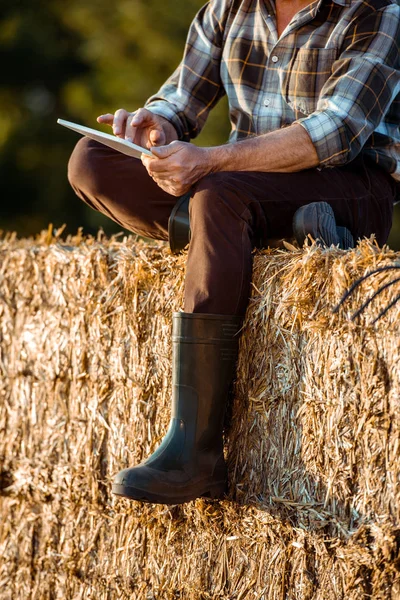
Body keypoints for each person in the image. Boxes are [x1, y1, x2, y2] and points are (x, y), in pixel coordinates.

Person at [68, 0, 400, 505]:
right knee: (91, 161)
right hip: (236, 182)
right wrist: (153, 128)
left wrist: (212, 163)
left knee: (219, 194)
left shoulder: (377, 12)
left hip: (352, 184)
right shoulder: (230, 9)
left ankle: (195, 450)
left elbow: (337, 132)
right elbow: (180, 100)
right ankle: (274, 234)